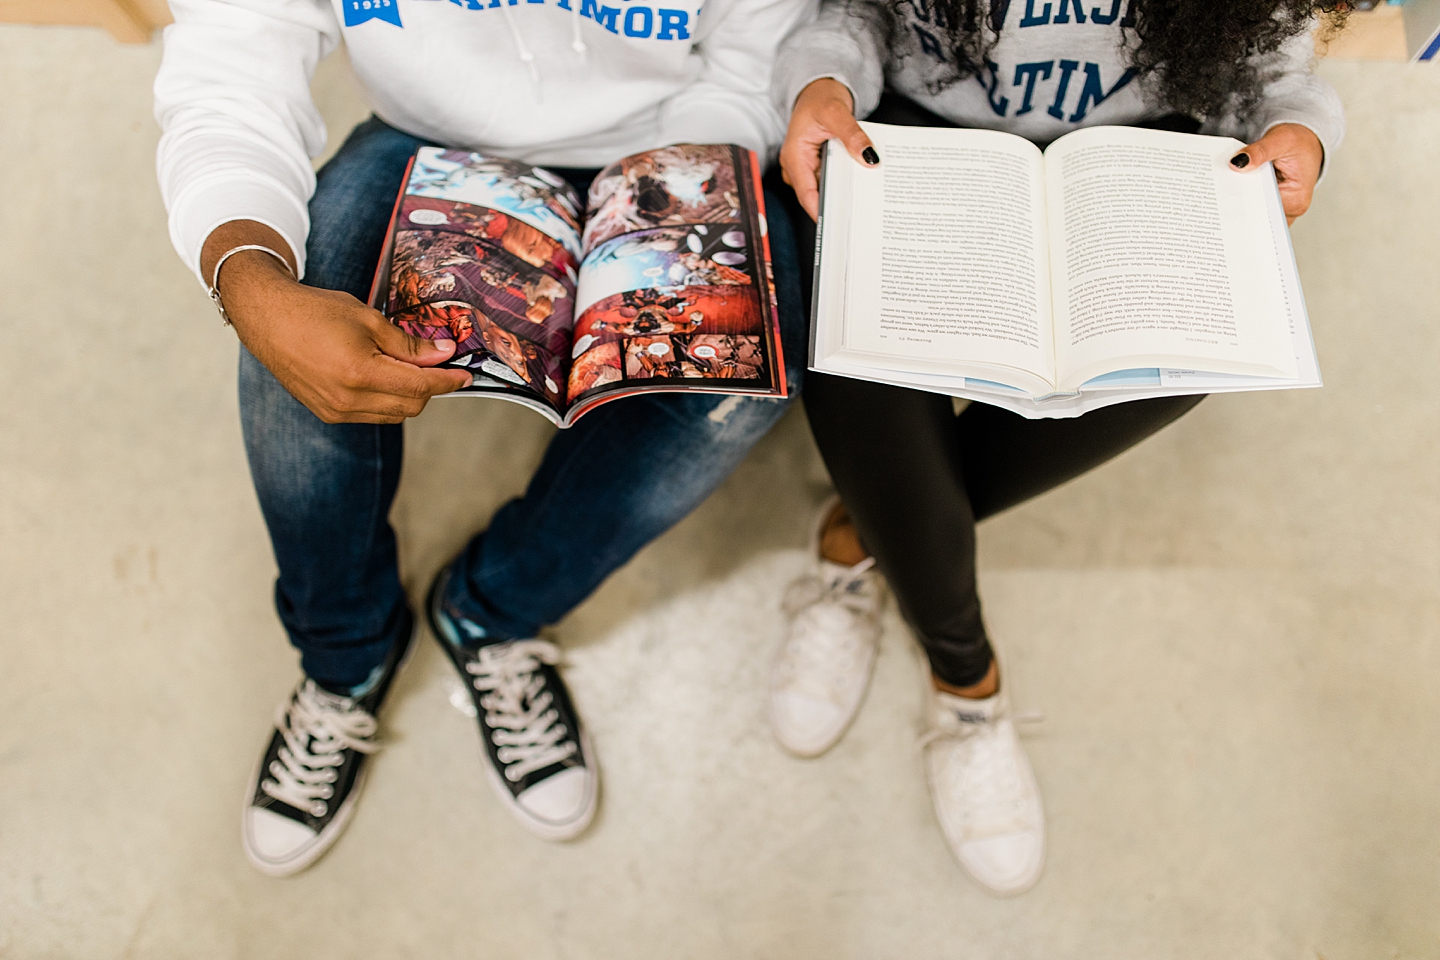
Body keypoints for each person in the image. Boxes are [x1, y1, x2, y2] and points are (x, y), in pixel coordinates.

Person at [155, 0, 812, 876]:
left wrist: (663, 199)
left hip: (667, 134)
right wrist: (249, 282)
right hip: (421, 133)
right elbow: (229, 66)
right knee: (290, 356)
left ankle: (492, 610)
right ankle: (344, 655)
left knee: (738, 381)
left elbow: (754, 56)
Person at [765, 0, 1343, 895]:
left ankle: (863, 540)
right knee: (861, 362)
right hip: (915, 145)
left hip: (1139, 160)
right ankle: (967, 682)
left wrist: (1296, 130)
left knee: (1165, 368)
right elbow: (849, 14)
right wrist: (822, 84)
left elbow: (1275, 65)